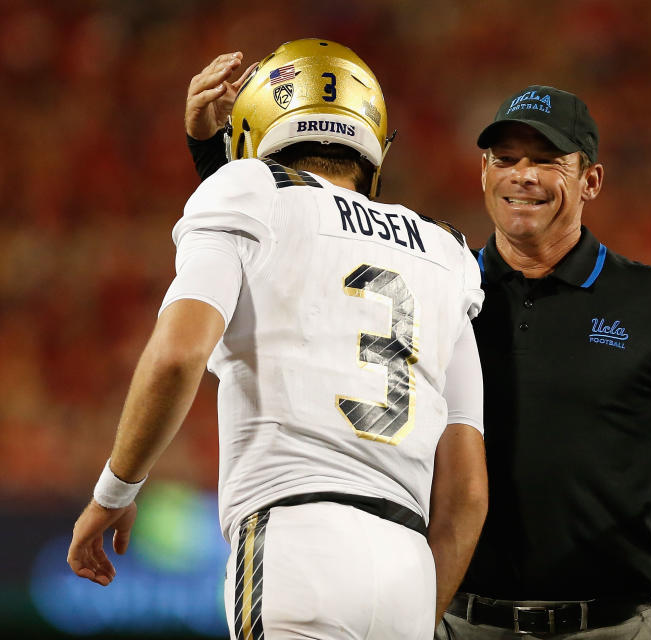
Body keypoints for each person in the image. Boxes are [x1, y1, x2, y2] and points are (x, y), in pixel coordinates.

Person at [184, 63, 651, 639]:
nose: (522, 176)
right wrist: (213, 154)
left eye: (546, 160)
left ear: (591, 180)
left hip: (611, 627)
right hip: (462, 619)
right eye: (505, 158)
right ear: (482, 171)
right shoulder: (437, 283)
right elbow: (288, 244)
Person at [67, 38, 488, 640]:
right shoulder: (447, 254)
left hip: (293, 538)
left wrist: (114, 491)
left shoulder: (244, 190)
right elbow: (468, 493)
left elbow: (178, 354)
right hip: (408, 564)